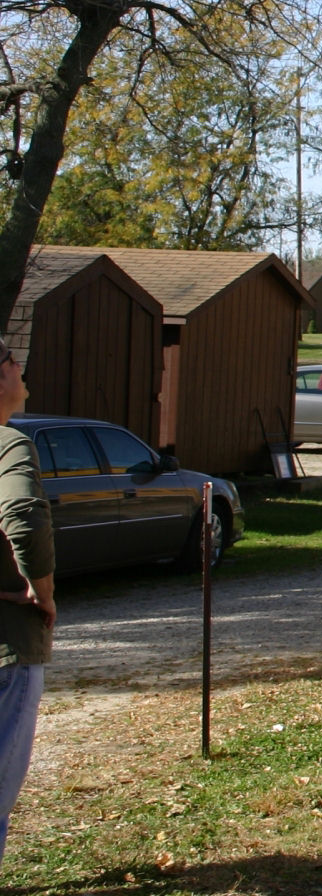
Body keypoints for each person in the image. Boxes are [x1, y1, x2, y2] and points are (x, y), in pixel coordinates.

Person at [0, 339, 52, 863]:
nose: (21, 368)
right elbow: (23, 514)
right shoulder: (7, 445)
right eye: (12, 361)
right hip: (7, 641)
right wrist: (43, 590)